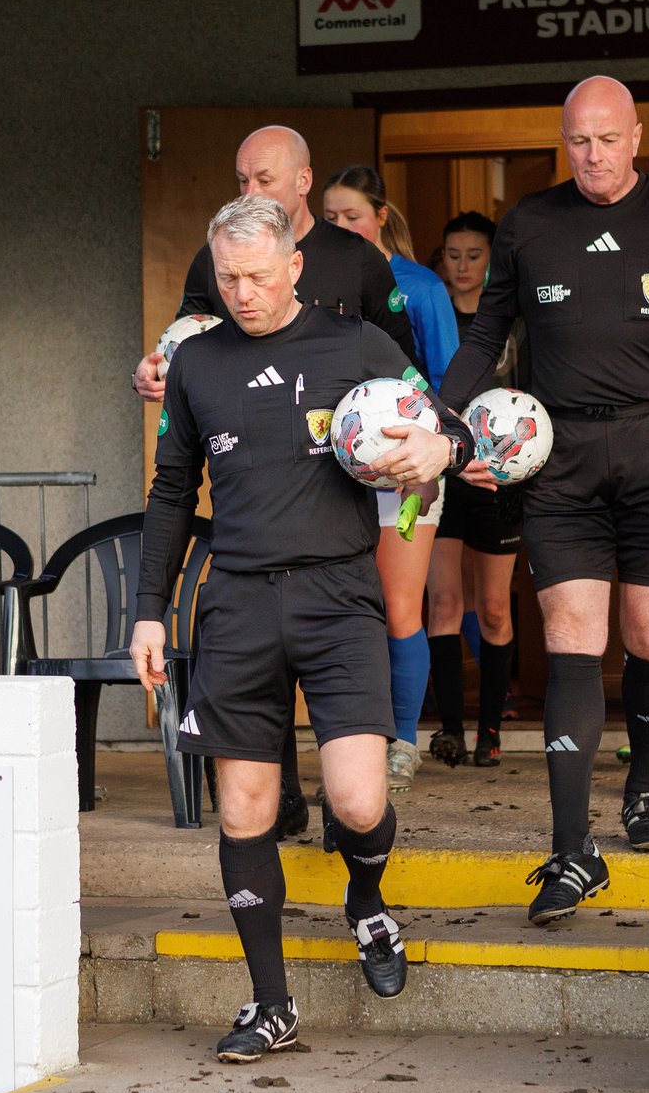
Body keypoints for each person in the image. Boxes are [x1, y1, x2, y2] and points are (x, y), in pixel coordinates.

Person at [129, 195, 474, 1062]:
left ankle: (366, 896)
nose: (241, 292)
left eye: (256, 275)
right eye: (226, 277)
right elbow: (172, 494)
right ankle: (271, 1003)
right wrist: (147, 610)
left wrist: (444, 450)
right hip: (239, 602)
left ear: (294, 268)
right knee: (245, 809)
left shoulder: (354, 343)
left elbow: (448, 422)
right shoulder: (199, 363)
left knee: (358, 800)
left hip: (337, 596)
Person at [438, 76, 649, 925]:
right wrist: (442, 420)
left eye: (608, 139)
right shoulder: (530, 223)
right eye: (578, 141)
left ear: (637, 136)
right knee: (573, 638)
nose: (593, 156)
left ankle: (647, 784)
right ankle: (570, 849)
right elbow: (486, 334)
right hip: (562, 455)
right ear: (563, 141)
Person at [132, 126, 420, 836]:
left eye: (263, 179)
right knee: (250, 784)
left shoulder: (359, 264)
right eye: (240, 179)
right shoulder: (217, 258)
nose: (248, 191)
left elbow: (407, 376)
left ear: (301, 181)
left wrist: (427, 447)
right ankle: (280, 790)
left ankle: (397, 743)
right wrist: (158, 369)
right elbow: (188, 340)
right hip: (250, 545)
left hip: (362, 484)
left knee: (398, 616)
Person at [322, 164, 457, 792]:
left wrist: (445, 443)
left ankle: (402, 741)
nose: (342, 228)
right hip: (334, 469)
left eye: (353, 216)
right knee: (348, 610)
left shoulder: (420, 285)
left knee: (401, 605)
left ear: (381, 216)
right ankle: (357, 742)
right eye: (332, 218)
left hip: (409, 463)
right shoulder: (307, 276)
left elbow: (450, 376)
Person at [426, 212, 524, 768]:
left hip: (496, 478)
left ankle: (490, 732)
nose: (462, 267)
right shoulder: (433, 315)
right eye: (453, 254)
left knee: (491, 608)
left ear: (492, 261)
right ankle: (450, 731)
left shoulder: (511, 321)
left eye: (474, 255)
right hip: (443, 472)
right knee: (443, 602)